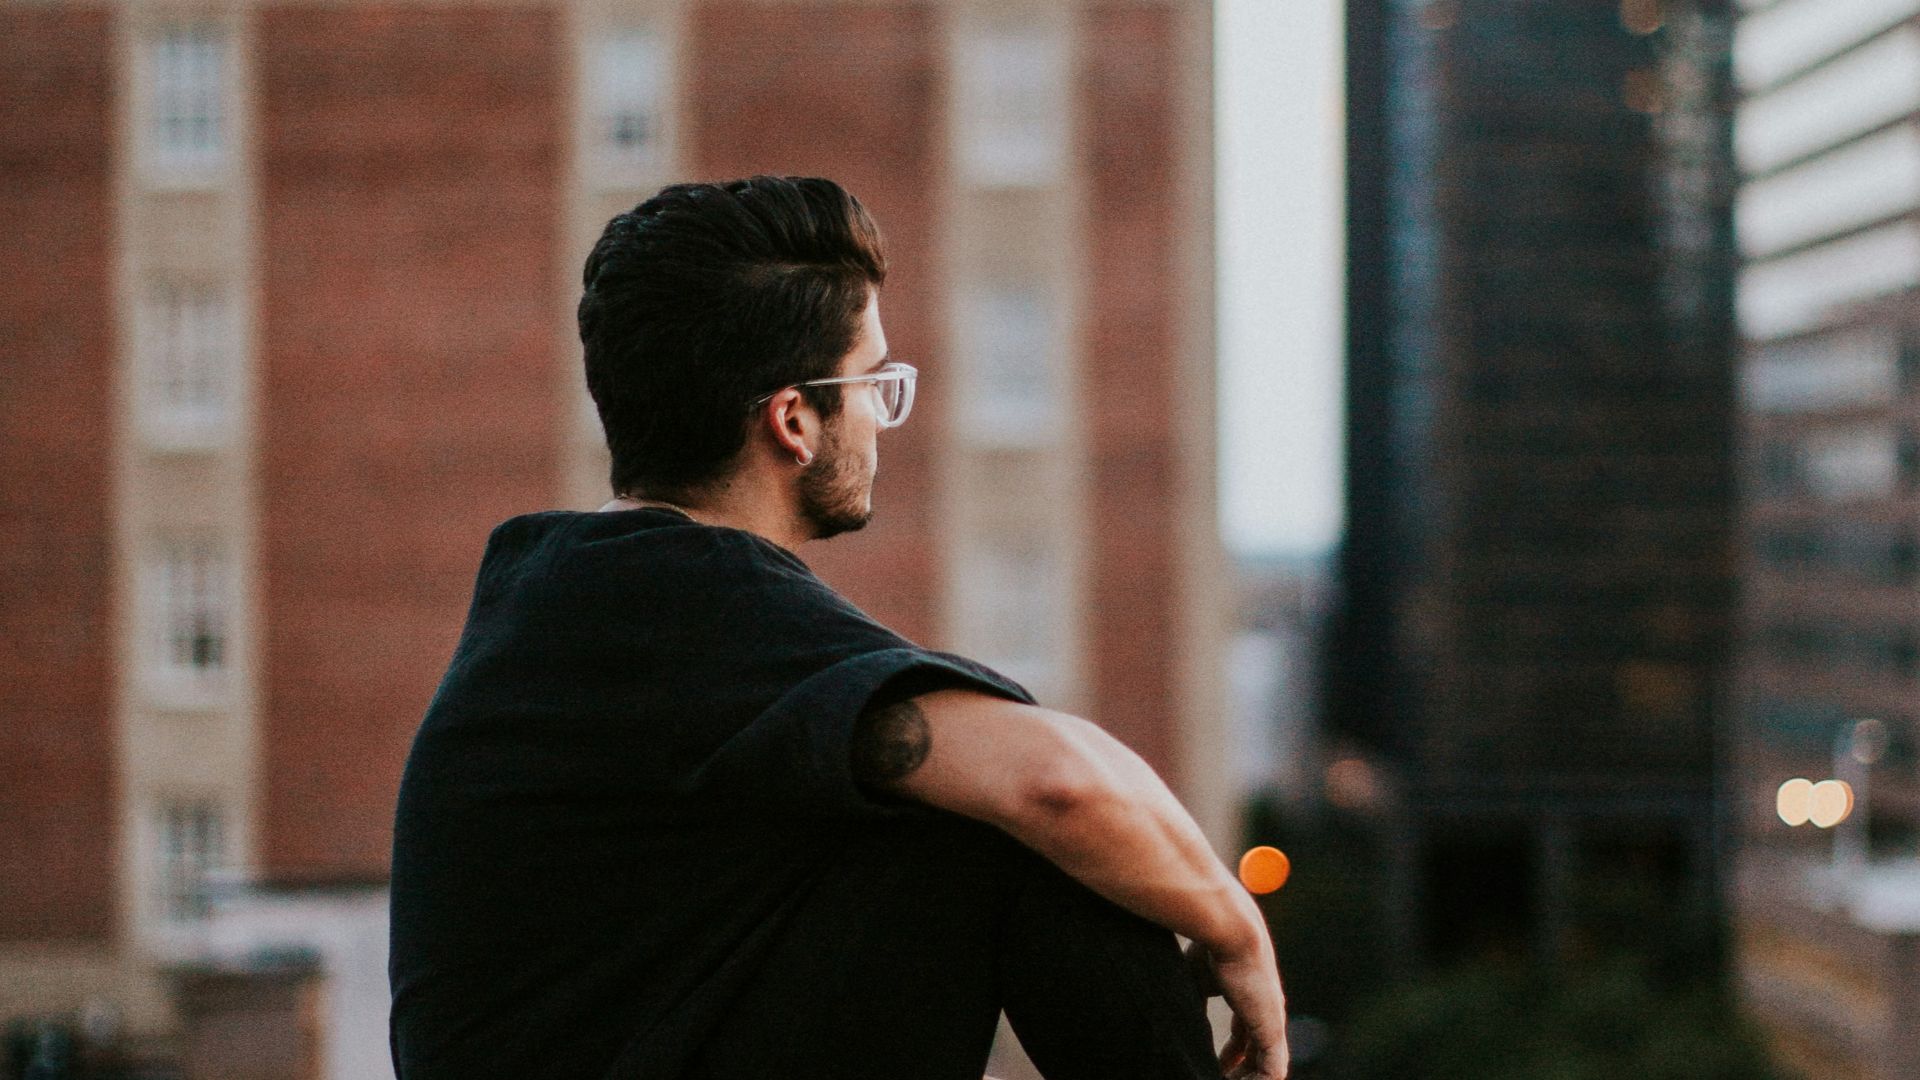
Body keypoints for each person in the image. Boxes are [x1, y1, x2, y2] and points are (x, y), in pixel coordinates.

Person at [387, 175, 1287, 1080]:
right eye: (871, 382)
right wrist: (1236, 926)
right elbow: (1057, 783)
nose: (881, 420)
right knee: (1011, 826)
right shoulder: (691, 597)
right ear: (794, 420)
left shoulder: (567, 599)